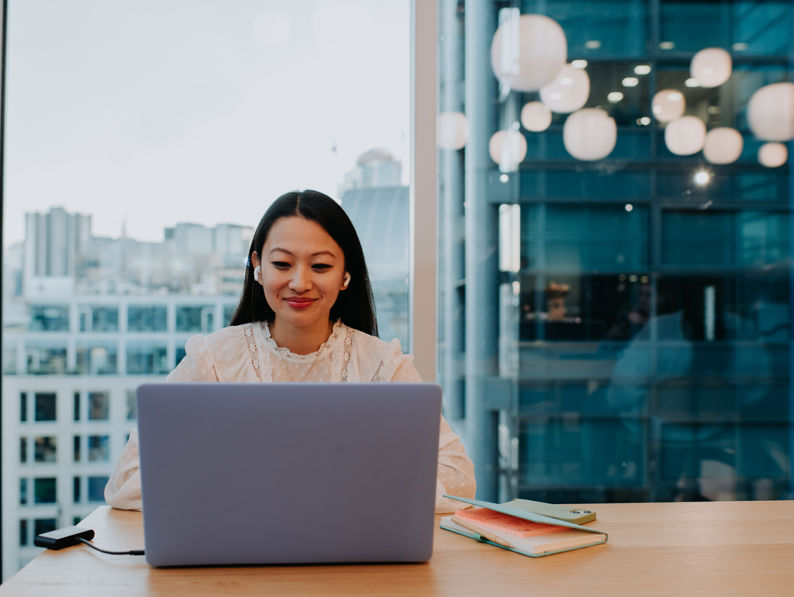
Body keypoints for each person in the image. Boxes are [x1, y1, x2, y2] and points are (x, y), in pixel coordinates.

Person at [105, 189, 476, 513]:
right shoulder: (214, 360)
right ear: (257, 267)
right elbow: (127, 480)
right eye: (282, 264)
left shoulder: (383, 366)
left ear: (346, 274)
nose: (300, 282)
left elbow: (458, 476)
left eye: (321, 266)